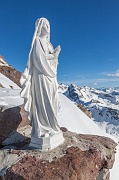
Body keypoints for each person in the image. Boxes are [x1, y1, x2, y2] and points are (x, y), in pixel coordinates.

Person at [20, 18, 61, 140]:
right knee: (43, 101)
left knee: (52, 100)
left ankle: (52, 126)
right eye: (45, 25)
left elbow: (52, 61)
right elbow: (39, 60)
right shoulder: (37, 41)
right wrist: (53, 55)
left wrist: (55, 56)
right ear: (39, 27)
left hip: (50, 77)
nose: (48, 28)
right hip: (41, 76)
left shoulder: (49, 44)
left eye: (49, 26)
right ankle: (43, 127)